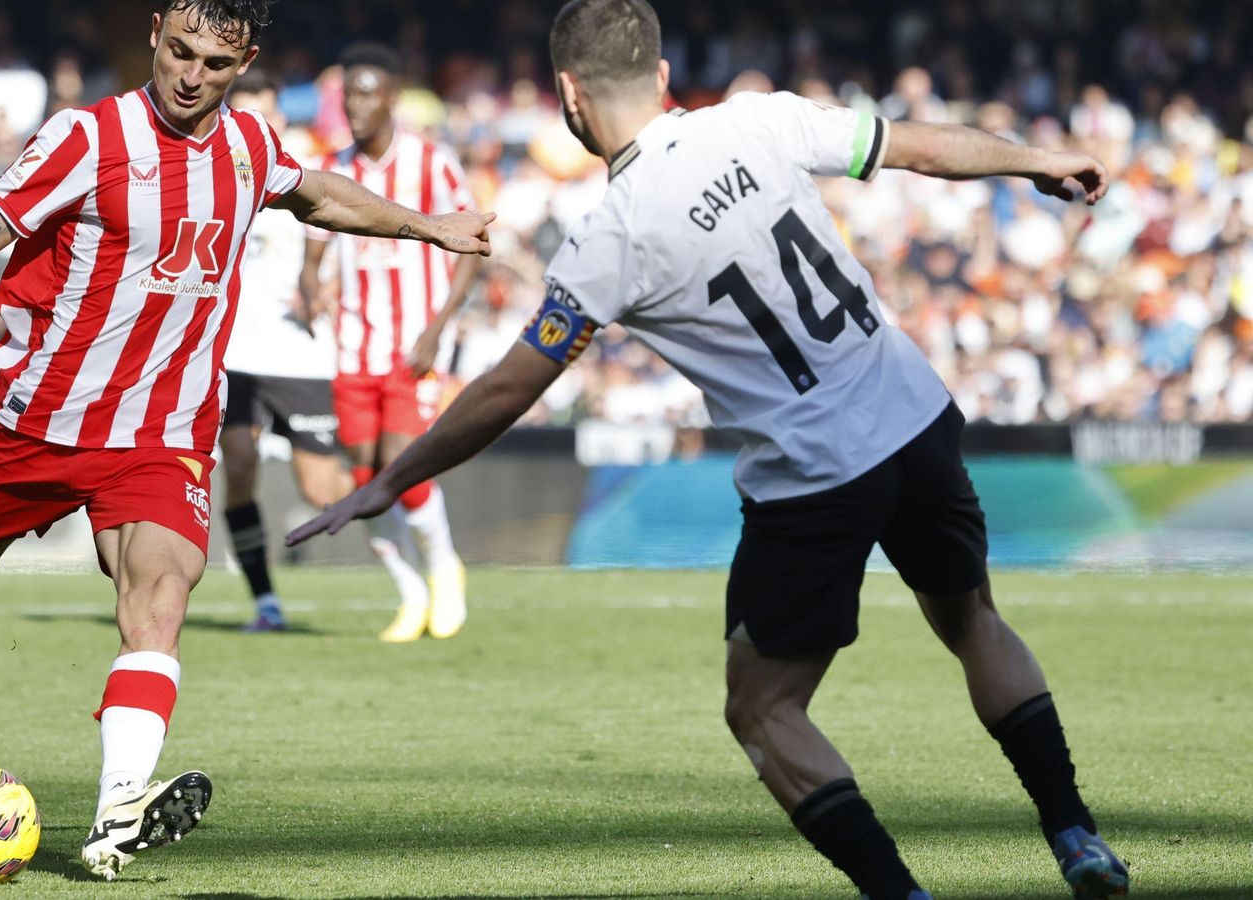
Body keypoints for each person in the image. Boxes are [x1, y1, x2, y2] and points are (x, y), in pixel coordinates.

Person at [288, 2, 1127, 898]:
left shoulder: (609, 236)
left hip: (815, 470)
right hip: (913, 416)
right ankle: (1074, 833)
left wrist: (392, 479)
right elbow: (920, 146)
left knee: (763, 708)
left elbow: (507, 388)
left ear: (568, 95)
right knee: (972, 623)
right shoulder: (756, 120)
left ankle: (900, 893)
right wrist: (1037, 159)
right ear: (658, 76)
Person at [0, 0, 492, 882]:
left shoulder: (248, 147)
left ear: (245, 63)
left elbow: (316, 192)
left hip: (165, 433)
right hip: (40, 423)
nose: (190, 76)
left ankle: (116, 812)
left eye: (214, 64)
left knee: (161, 594)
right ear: (157, 31)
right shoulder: (86, 139)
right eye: (180, 51)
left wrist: (427, 227)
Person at [299, 43, 481, 642]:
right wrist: (311, 287)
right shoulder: (332, 167)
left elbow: (472, 242)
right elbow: (313, 254)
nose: (355, 105)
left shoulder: (431, 162)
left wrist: (438, 327)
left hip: (413, 345)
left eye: (367, 93)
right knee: (364, 484)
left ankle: (444, 569)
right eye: (348, 94)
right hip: (353, 348)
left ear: (393, 98)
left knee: (406, 472)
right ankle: (410, 593)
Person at [218, 70, 350, 632]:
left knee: (322, 489)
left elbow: (342, 245)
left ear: (280, 117)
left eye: (266, 112)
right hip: (233, 355)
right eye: (245, 112)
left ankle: (402, 499)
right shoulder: (211, 170)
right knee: (238, 466)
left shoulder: (305, 173)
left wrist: (327, 287)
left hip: (298, 354)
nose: (256, 122)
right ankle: (265, 602)